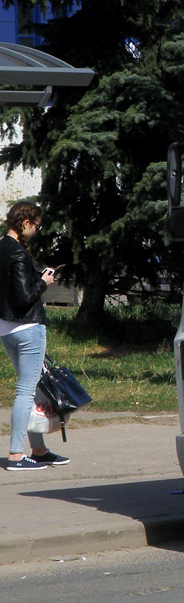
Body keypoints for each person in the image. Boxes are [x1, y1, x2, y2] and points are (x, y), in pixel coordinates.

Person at [0, 201, 66, 471]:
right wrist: (45, 282)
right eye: (36, 225)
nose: (36, 230)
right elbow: (25, 295)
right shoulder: (17, 253)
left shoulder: (2, 247)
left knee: (33, 388)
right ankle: (16, 455)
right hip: (28, 328)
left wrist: (34, 273)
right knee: (27, 391)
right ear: (25, 223)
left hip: (6, 328)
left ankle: (38, 450)